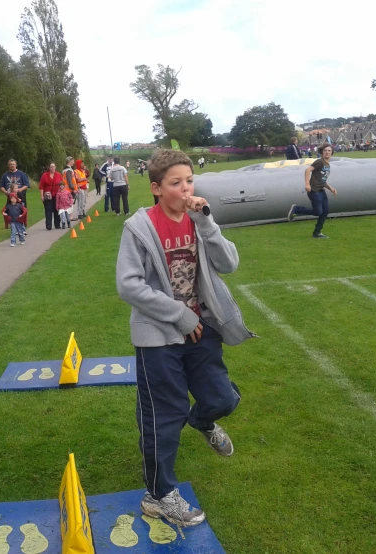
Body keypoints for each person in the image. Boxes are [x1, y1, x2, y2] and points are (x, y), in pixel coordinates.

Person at [116, 148, 252, 529]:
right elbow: (128, 285)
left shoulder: (198, 220)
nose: (186, 188)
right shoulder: (139, 228)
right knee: (164, 416)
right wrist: (179, 314)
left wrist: (207, 223)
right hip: (159, 335)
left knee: (222, 398)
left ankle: (204, 421)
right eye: (176, 183)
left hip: (202, 329)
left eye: (189, 181)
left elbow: (229, 264)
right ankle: (159, 495)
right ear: (157, 189)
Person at [287, 143, 338, 238]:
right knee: (318, 212)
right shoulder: (320, 162)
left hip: (321, 191)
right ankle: (296, 209)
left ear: (332, 153)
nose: (327, 152)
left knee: (325, 212)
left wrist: (331, 188)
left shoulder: (327, 165)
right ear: (322, 152)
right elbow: (307, 170)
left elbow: (322, 180)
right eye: (325, 150)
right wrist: (307, 183)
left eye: (329, 151)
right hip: (315, 191)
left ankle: (317, 232)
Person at [39, 162, 62, 230]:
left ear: (55, 167)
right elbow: (41, 186)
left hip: (56, 195)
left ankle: (57, 224)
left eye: (54, 166)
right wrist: (42, 196)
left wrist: (62, 194)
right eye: (51, 167)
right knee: (48, 210)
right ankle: (48, 225)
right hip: (47, 196)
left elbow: (62, 185)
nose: (52, 168)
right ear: (49, 168)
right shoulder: (44, 175)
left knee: (56, 209)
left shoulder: (58, 175)